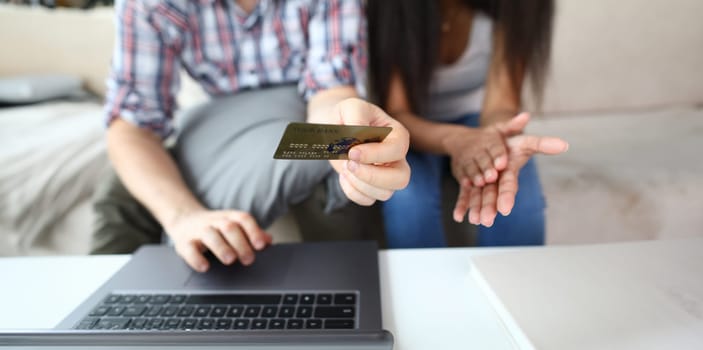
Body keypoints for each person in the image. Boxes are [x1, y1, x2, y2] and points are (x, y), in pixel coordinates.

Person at [92, 0, 410, 272]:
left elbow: (330, 91)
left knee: (326, 180)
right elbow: (132, 127)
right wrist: (183, 217)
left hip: (300, 112)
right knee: (119, 196)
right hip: (220, 125)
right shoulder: (153, 5)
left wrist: (346, 139)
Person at [367, 0, 568, 248]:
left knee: (520, 201)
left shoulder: (520, 7)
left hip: (478, 116)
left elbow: (501, 105)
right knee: (408, 201)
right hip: (406, 125)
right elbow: (397, 113)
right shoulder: (392, 8)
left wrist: (497, 140)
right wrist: (456, 140)